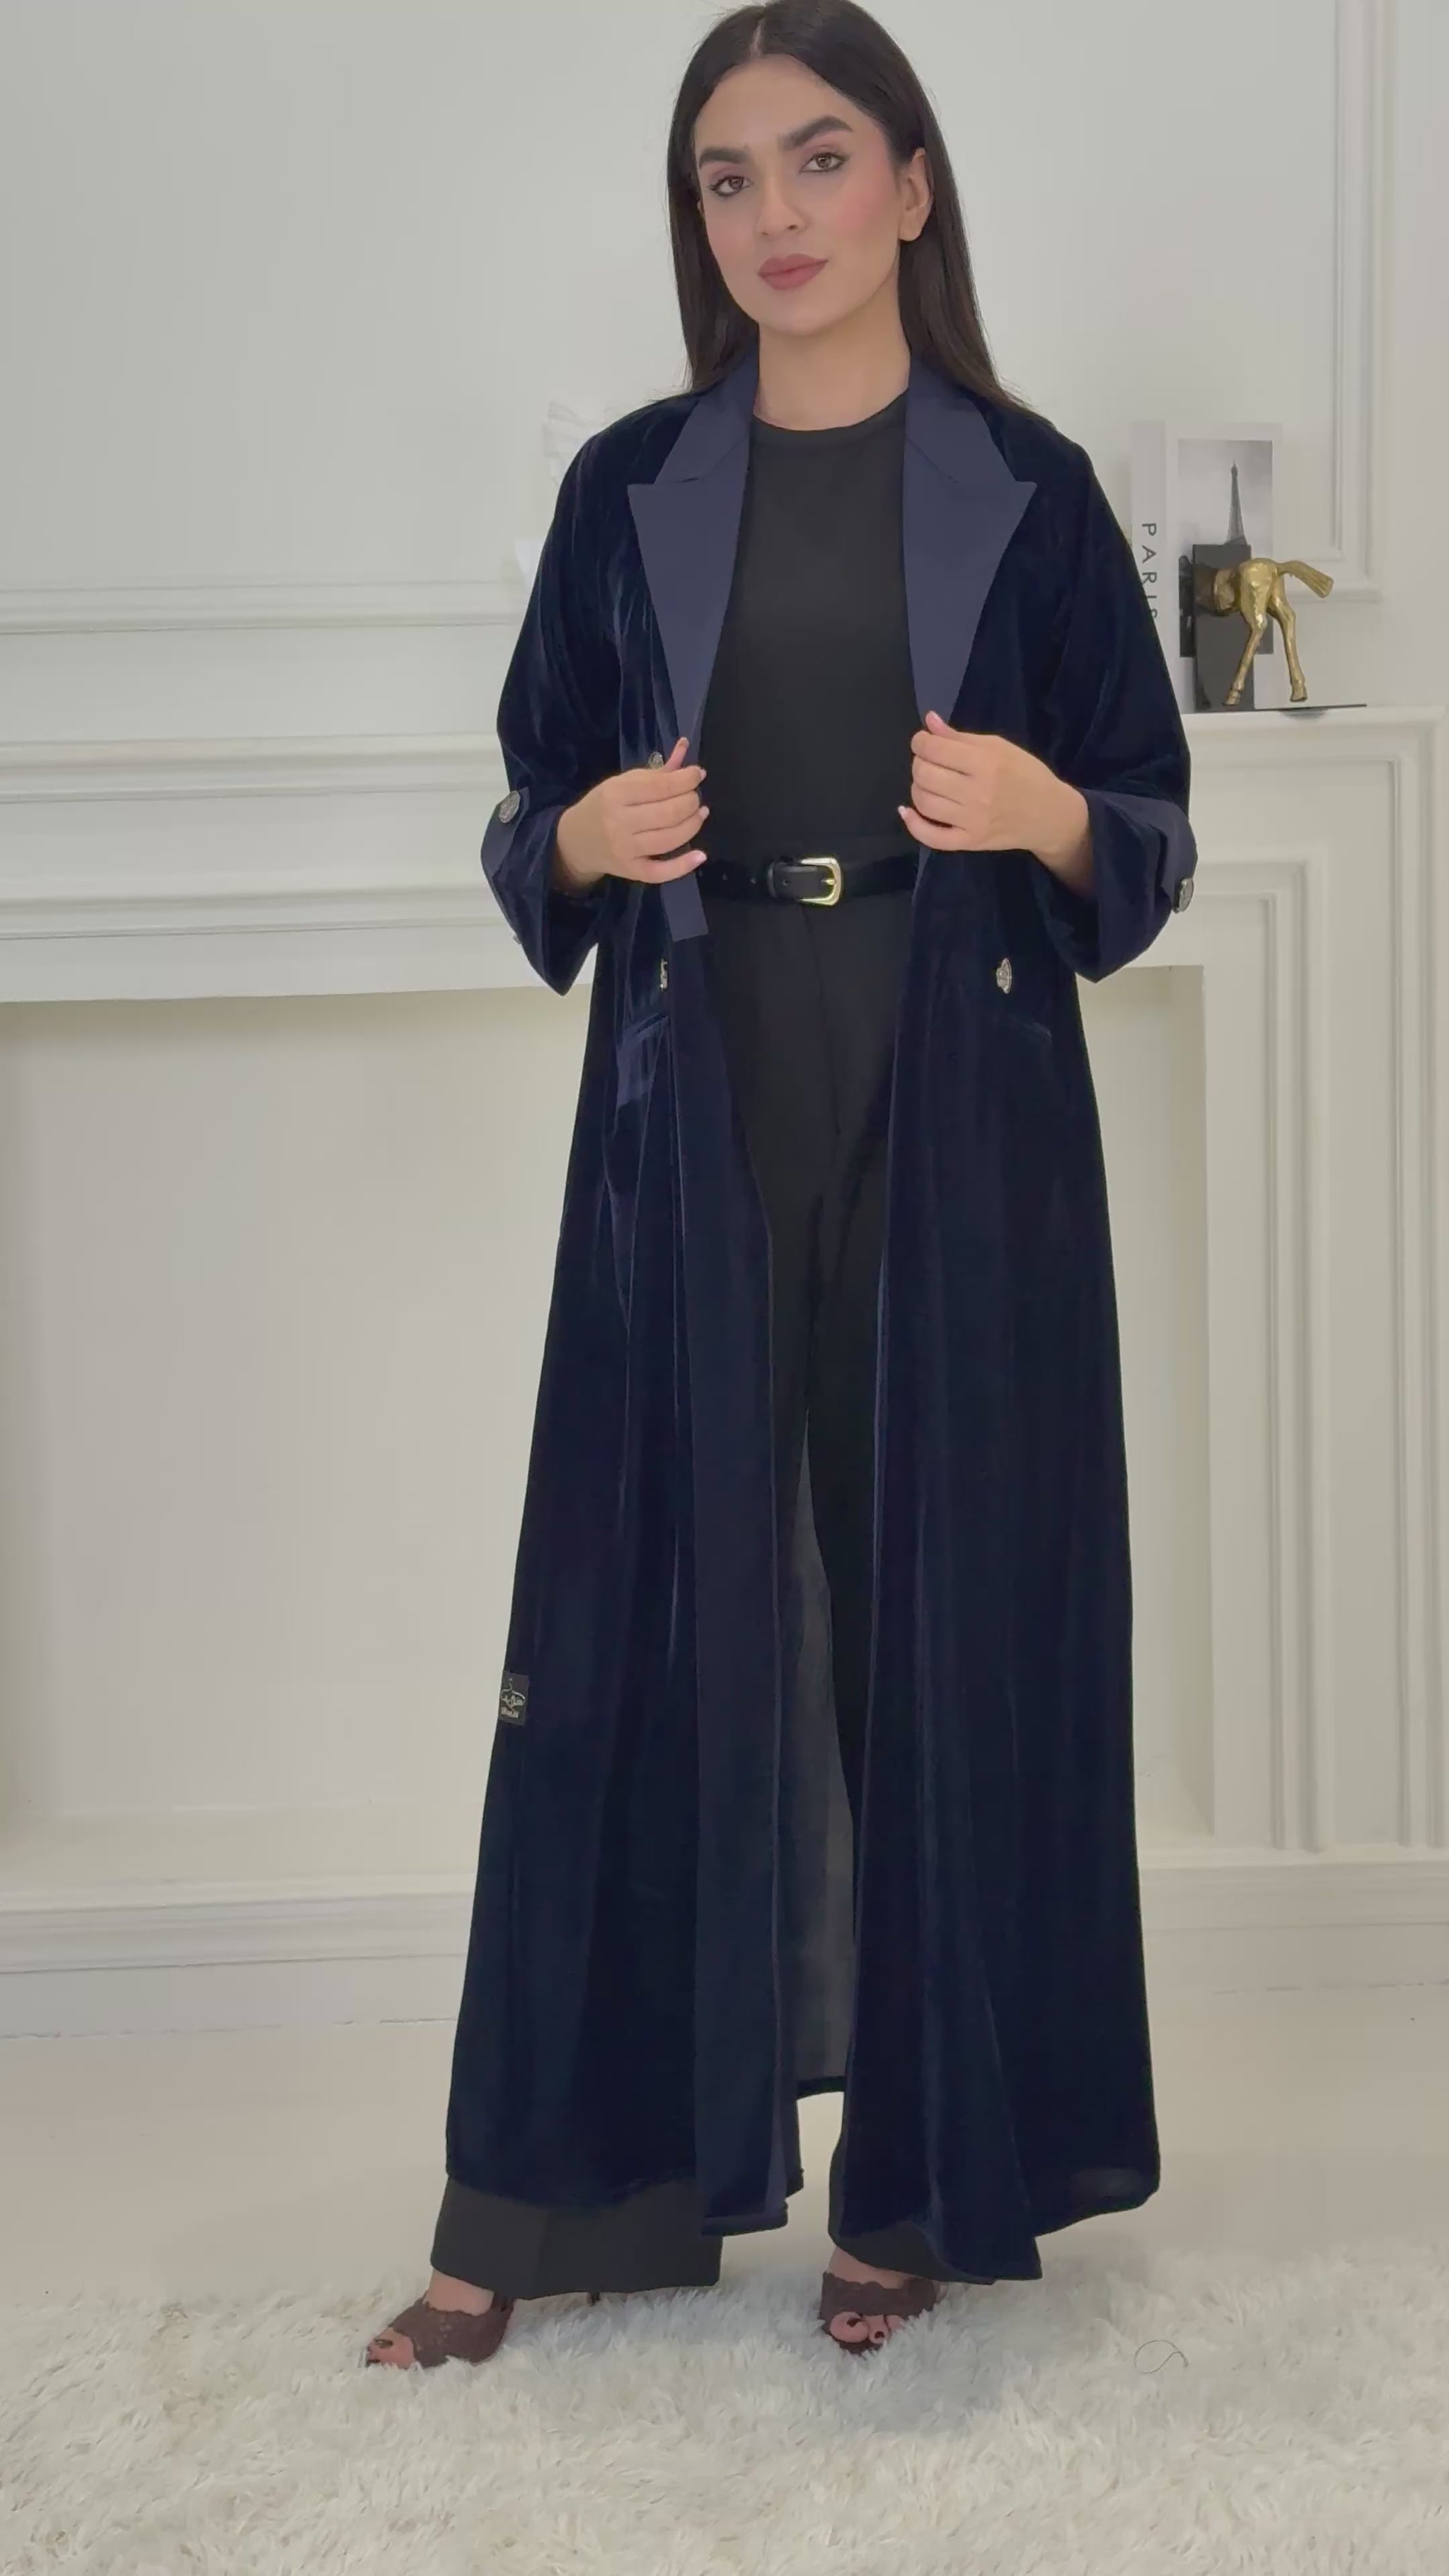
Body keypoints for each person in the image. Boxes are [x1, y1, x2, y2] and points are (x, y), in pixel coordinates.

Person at [367, 0, 1196, 2372]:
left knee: (943, 1621)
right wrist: (578, 839)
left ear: (913, 188)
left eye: (821, 160)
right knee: (627, 1626)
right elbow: (531, 799)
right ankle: (543, 2197)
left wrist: (1044, 810)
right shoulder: (628, 484)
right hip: (693, 1096)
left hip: (961, 1114)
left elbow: (1143, 825)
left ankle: (918, 2185)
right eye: (727, 178)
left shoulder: (1030, 489)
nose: (777, 215)